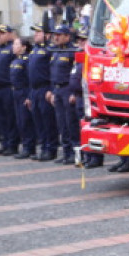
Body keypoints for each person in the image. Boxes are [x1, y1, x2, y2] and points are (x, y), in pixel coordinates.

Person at [69, 29, 103, 169]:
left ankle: (95, 157)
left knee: (91, 127)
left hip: (88, 98)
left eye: (84, 40)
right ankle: (87, 156)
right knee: (81, 129)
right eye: (79, 40)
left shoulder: (93, 57)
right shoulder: (80, 56)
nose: (81, 42)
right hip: (78, 96)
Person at [26, 25, 58, 162]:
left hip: (45, 88)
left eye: (38, 32)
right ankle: (44, 148)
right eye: (35, 32)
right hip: (34, 89)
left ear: (47, 34)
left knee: (47, 121)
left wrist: (51, 89)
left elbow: (53, 71)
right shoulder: (34, 49)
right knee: (38, 120)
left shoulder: (49, 49)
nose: (35, 35)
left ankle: (51, 149)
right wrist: (29, 94)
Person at [48, 25, 78, 165]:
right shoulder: (56, 51)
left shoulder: (73, 51)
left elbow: (76, 74)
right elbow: (52, 73)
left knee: (70, 123)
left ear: (67, 36)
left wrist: (73, 92)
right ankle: (66, 153)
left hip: (67, 89)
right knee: (61, 123)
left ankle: (74, 153)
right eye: (55, 34)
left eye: (59, 34)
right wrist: (53, 91)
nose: (56, 37)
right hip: (58, 90)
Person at [10, 36, 35, 160]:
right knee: (19, 121)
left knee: (26, 121)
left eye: (16, 44)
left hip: (24, 93)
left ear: (24, 47)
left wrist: (29, 96)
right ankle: (25, 145)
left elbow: (30, 80)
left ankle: (29, 147)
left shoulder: (26, 60)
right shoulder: (15, 60)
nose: (13, 47)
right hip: (16, 93)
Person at [0, 25, 20, 156]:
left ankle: (12, 144)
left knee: (10, 117)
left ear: (10, 34)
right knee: (1, 119)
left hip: (7, 87)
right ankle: (5, 143)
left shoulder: (12, 47)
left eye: (2, 33)